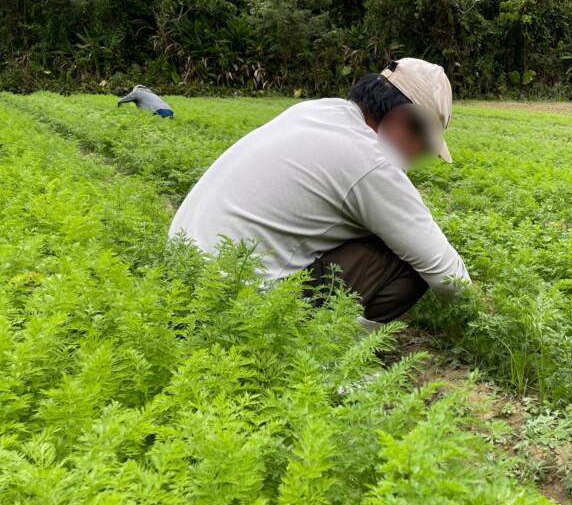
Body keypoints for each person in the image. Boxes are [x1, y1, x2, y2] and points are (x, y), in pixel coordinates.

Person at [169, 58, 471, 328]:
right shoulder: (371, 161)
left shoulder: (318, 110)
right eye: (424, 145)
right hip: (238, 305)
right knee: (406, 258)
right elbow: (449, 277)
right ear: (401, 119)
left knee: (380, 230)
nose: (418, 157)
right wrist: (480, 312)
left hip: (180, 277)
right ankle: (335, 356)